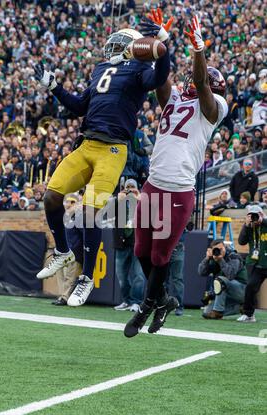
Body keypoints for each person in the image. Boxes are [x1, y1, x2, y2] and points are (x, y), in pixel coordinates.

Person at [33, 9, 173, 307]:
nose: (112, 46)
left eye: (120, 42)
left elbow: (160, 76)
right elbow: (79, 106)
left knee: (88, 210)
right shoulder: (100, 69)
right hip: (86, 146)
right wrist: (54, 86)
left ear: (134, 47)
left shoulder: (139, 70)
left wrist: (163, 46)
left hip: (112, 150)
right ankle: (62, 251)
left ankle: (85, 278)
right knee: (50, 197)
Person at [124, 12, 228, 338]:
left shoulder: (213, 107)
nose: (191, 84)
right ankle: (164, 299)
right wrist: (161, 43)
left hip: (179, 189)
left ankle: (146, 307)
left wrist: (199, 49)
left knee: (159, 255)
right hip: (153, 183)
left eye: (200, 82)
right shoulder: (174, 96)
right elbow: (160, 78)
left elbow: (200, 83)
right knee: (141, 251)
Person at [113, 179, 145, 312]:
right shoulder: (119, 201)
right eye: (128, 187)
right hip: (122, 242)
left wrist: (140, 199)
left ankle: (137, 302)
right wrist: (117, 200)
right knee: (121, 276)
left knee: (139, 274)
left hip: (137, 242)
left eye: (133, 187)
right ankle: (127, 300)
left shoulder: (142, 201)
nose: (130, 189)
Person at [198, 239, 247, 319]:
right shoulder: (213, 258)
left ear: (225, 247)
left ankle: (217, 312)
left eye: (221, 249)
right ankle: (241, 307)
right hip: (226, 294)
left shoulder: (234, 256)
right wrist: (206, 259)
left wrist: (221, 260)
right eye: (216, 250)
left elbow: (230, 275)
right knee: (207, 312)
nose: (219, 251)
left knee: (220, 280)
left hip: (241, 290)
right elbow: (201, 272)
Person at [237, 205, 267, 322]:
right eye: (251, 215)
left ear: (261, 214)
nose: (254, 218)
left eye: (256, 215)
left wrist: (262, 220)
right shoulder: (249, 227)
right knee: (250, 287)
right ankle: (249, 315)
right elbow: (241, 241)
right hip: (256, 264)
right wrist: (246, 225)